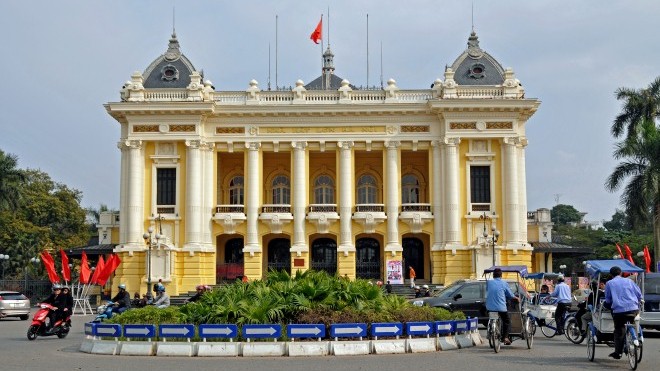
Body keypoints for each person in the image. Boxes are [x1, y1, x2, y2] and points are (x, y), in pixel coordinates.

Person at [604, 265, 642, 360]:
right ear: (621, 273)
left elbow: (608, 300)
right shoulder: (629, 281)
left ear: (611, 274)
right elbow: (639, 294)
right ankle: (634, 336)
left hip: (619, 311)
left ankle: (618, 353)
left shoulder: (609, 283)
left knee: (619, 330)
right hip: (634, 309)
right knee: (632, 323)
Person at [486, 268, 519, 345]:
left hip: (490, 307)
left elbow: (489, 291)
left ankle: (490, 329)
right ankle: (505, 337)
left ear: (493, 275)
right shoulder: (504, 283)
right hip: (501, 307)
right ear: (501, 275)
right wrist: (516, 298)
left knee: (491, 317)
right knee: (506, 321)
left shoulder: (489, 282)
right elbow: (510, 295)